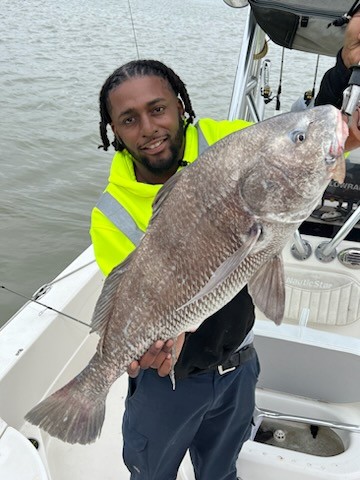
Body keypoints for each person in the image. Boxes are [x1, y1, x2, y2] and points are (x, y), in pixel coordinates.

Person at [90, 16, 360, 480]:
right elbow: (131, 291)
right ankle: (92, 387)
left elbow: (317, 123)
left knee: (222, 468)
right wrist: (147, 345)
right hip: (165, 381)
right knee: (151, 472)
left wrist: (346, 62)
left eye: (158, 109)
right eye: (128, 120)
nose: (149, 128)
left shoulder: (231, 141)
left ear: (181, 105)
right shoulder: (109, 212)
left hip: (238, 363)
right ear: (113, 130)